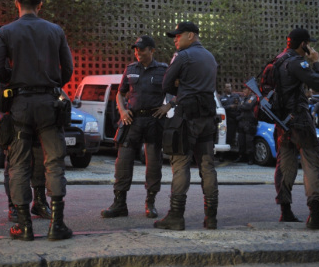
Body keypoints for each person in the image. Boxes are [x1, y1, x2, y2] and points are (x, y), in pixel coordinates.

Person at [0, 0, 74, 242]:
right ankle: (56, 225)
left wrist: (13, 80)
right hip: (49, 102)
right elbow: (68, 69)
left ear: (17, 3)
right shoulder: (55, 30)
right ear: (41, 4)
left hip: (21, 103)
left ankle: (24, 226)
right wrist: (51, 83)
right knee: (54, 163)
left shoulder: (5, 32)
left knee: (18, 164)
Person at [154, 22, 219, 231]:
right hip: (208, 117)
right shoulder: (210, 57)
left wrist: (178, 85)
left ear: (191, 35)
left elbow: (166, 85)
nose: (175, 40)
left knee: (180, 164)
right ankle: (211, 218)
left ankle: (175, 216)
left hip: (187, 118)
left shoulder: (183, 56)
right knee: (207, 167)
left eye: (178, 36)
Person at [271, 28, 319, 229]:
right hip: (299, 119)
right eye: (309, 44)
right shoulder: (297, 62)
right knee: (312, 162)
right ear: (303, 45)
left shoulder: (278, 60)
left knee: (285, 164)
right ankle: (315, 214)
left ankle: (286, 212)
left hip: (282, 122)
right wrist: (316, 61)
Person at [101, 35, 171, 220]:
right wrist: (122, 110)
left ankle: (150, 203)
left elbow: (177, 91)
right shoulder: (130, 69)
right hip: (132, 120)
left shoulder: (164, 70)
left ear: (152, 50)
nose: (137, 52)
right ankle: (119, 204)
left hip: (154, 120)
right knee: (123, 162)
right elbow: (120, 94)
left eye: (141, 49)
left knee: (153, 164)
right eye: (136, 50)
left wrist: (168, 106)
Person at [235, 84, 258, 165]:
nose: (244, 91)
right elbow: (238, 107)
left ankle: (250, 158)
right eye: (243, 89)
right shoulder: (243, 98)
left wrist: (241, 106)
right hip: (241, 122)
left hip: (249, 123)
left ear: (250, 90)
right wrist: (241, 106)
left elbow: (248, 106)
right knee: (241, 141)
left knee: (249, 142)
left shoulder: (253, 97)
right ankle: (241, 156)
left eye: (245, 89)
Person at [219, 83, 241, 153]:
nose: (229, 88)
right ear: (224, 89)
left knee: (232, 137)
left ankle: (231, 152)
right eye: (227, 87)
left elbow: (240, 105)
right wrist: (229, 106)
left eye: (230, 87)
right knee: (223, 137)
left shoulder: (235, 96)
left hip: (233, 120)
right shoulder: (221, 98)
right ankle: (222, 154)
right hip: (224, 121)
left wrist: (237, 104)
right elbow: (220, 108)